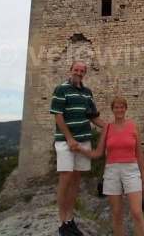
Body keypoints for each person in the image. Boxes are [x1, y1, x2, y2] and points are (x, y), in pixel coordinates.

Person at [76, 96, 144, 236]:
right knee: (116, 214)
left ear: (126, 109)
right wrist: (80, 150)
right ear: (112, 110)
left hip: (131, 170)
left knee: (137, 212)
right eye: (116, 107)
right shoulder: (107, 128)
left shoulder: (134, 127)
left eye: (122, 107)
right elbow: (98, 153)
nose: (119, 110)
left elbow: (139, 155)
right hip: (112, 171)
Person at [50, 61, 106, 236]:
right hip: (66, 141)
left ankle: (69, 219)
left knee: (76, 179)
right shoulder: (61, 89)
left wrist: (110, 128)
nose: (78, 73)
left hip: (83, 140)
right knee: (65, 178)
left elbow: (92, 116)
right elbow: (58, 115)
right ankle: (61, 224)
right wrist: (69, 138)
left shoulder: (87, 93)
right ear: (70, 71)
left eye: (82, 71)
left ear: (85, 74)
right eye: (76, 70)